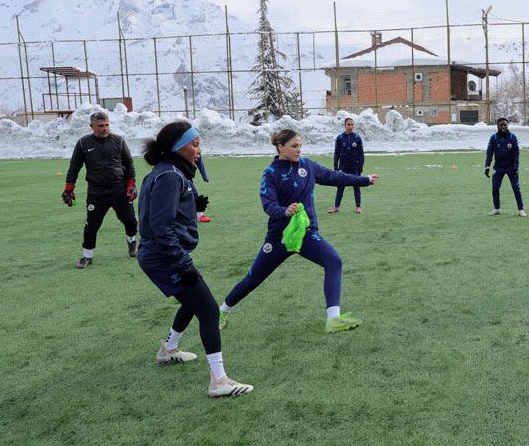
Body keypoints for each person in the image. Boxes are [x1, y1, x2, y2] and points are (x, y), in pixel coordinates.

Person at [219, 129, 379, 333]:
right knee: (253, 279)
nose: (299, 150)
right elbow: (268, 204)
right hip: (280, 237)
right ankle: (223, 310)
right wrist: (284, 211)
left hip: (305, 234)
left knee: (334, 261)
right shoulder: (270, 173)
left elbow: (335, 177)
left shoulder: (307, 166)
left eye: (300, 146)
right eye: (294, 146)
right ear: (280, 147)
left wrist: (364, 180)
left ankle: (333, 319)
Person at [137, 121, 253, 398]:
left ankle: (168, 349)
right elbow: (160, 226)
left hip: (164, 253)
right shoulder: (170, 176)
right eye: (195, 144)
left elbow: (161, 210)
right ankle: (218, 381)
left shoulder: (167, 171)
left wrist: (191, 205)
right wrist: (182, 263)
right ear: (178, 148)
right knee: (209, 311)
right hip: (163, 256)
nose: (199, 150)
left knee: (193, 302)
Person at [63, 111, 138, 269]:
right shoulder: (83, 143)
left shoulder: (119, 141)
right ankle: (87, 256)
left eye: (107, 125)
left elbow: (129, 163)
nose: (105, 128)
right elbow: (74, 167)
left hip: (119, 189)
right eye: (101, 126)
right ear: (92, 126)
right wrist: (69, 188)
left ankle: (131, 242)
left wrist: (131, 184)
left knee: (130, 220)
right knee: (92, 225)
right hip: (97, 192)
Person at [485, 117, 525, 217]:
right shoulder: (494, 138)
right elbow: (489, 153)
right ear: (497, 126)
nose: (503, 126)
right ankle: (497, 208)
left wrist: (515, 167)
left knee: (516, 187)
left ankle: (521, 209)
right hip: (498, 167)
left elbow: (516, 153)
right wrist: (487, 166)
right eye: (500, 125)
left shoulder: (512, 137)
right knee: (495, 187)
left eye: (504, 125)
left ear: (507, 125)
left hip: (511, 167)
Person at [328, 117, 366, 214]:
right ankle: (336, 207)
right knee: (340, 186)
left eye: (352, 124)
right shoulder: (340, 138)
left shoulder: (357, 137)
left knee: (356, 185)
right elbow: (336, 153)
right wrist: (335, 165)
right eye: (348, 124)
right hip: (343, 166)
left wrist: (360, 166)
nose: (350, 126)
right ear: (345, 125)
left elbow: (361, 154)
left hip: (354, 165)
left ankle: (358, 207)